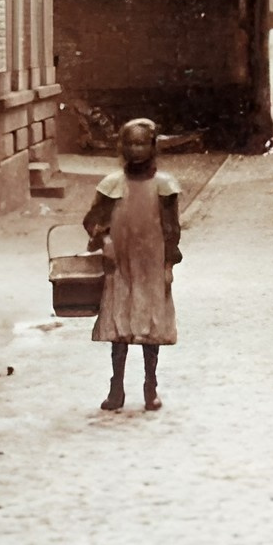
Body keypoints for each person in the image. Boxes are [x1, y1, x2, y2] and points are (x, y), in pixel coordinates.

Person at [83, 116, 181, 411]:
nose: (136, 149)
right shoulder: (112, 185)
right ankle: (117, 388)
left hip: (151, 265)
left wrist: (168, 267)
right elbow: (92, 220)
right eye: (130, 143)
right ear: (122, 147)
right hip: (121, 265)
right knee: (120, 327)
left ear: (152, 146)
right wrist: (103, 239)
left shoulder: (164, 186)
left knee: (151, 326)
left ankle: (150, 386)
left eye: (142, 143)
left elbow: (171, 230)